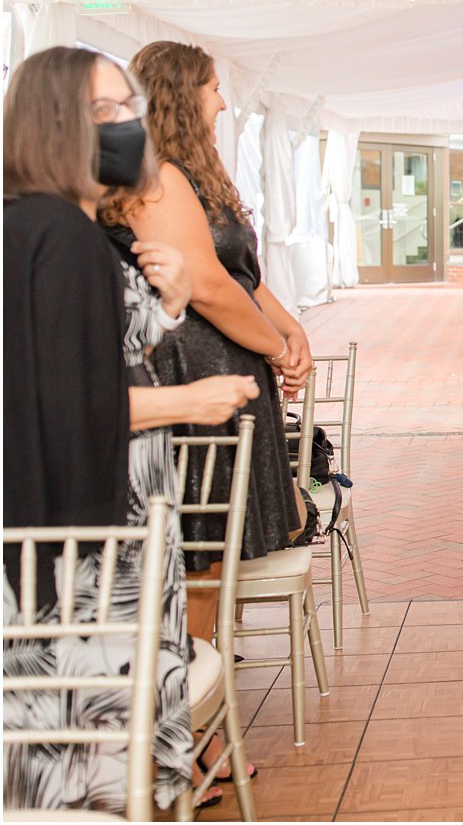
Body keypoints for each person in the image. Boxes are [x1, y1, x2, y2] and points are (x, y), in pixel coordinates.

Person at [3, 47, 255, 813]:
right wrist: (193, 402)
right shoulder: (62, 237)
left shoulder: (44, 228)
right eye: (109, 111)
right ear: (56, 125)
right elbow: (67, 405)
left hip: (78, 529)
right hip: (87, 544)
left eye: (129, 108)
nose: (129, 126)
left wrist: (170, 304)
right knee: (92, 760)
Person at [100, 40, 310, 642]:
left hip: (223, 361)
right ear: (182, 95)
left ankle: (207, 683)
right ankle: (190, 709)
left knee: (216, 551)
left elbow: (242, 275)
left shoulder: (195, 174)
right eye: (214, 87)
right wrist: (273, 349)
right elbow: (208, 287)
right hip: (188, 369)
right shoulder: (156, 176)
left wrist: (292, 331)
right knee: (198, 548)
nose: (222, 101)